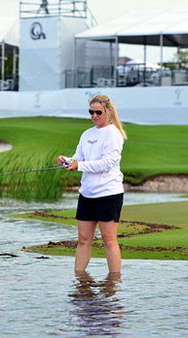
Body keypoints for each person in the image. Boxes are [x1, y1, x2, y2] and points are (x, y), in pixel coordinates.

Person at [57, 94, 127, 273]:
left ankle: (113, 283)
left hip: (109, 193)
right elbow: (78, 157)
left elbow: (107, 163)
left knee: (108, 239)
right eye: (91, 112)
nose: (94, 115)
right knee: (83, 239)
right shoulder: (87, 134)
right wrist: (67, 161)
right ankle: (79, 280)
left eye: (98, 112)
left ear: (107, 112)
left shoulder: (113, 134)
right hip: (87, 193)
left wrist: (79, 165)